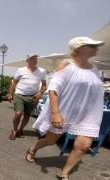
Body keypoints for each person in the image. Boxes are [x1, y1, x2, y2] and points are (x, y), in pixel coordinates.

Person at [25, 37, 105, 180]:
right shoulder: (66, 64)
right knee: (50, 140)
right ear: (79, 49)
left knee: (84, 145)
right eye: (91, 45)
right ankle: (33, 149)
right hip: (64, 112)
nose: (95, 48)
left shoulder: (95, 69)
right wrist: (55, 113)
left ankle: (64, 173)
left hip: (87, 115)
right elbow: (54, 88)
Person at [8, 54, 47, 140]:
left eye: (35, 58)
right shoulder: (20, 70)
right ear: (27, 60)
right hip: (20, 94)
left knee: (27, 115)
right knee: (18, 113)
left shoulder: (42, 71)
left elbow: (44, 86)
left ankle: (20, 130)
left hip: (33, 97)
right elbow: (14, 83)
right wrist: (10, 94)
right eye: (32, 58)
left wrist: (40, 93)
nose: (35, 60)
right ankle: (14, 130)